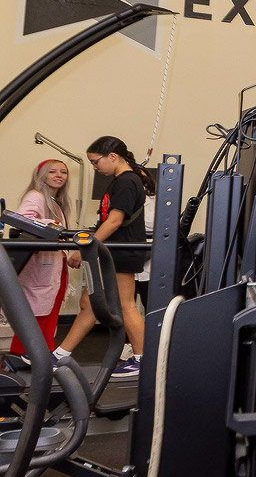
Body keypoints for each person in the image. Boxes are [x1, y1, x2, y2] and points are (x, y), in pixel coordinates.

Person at [53, 136, 152, 376]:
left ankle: (142, 359)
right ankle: (60, 354)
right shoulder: (120, 180)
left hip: (121, 251)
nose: (95, 167)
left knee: (126, 305)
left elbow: (115, 221)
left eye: (96, 162)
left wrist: (85, 248)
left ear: (113, 157)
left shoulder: (127, 181)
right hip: (112, 250)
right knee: (89, 303)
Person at [9, 159, 72, 358]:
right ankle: (20, 356)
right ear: (41, 176)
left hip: (55, 265)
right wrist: (53, 224)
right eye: (52, 171)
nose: (59, 175)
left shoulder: (56, 201)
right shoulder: (35, 196)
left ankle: (42, 356)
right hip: (40, 266)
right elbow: (21, 220)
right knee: (36, 316)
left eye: (63, 172)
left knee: (49, 315)